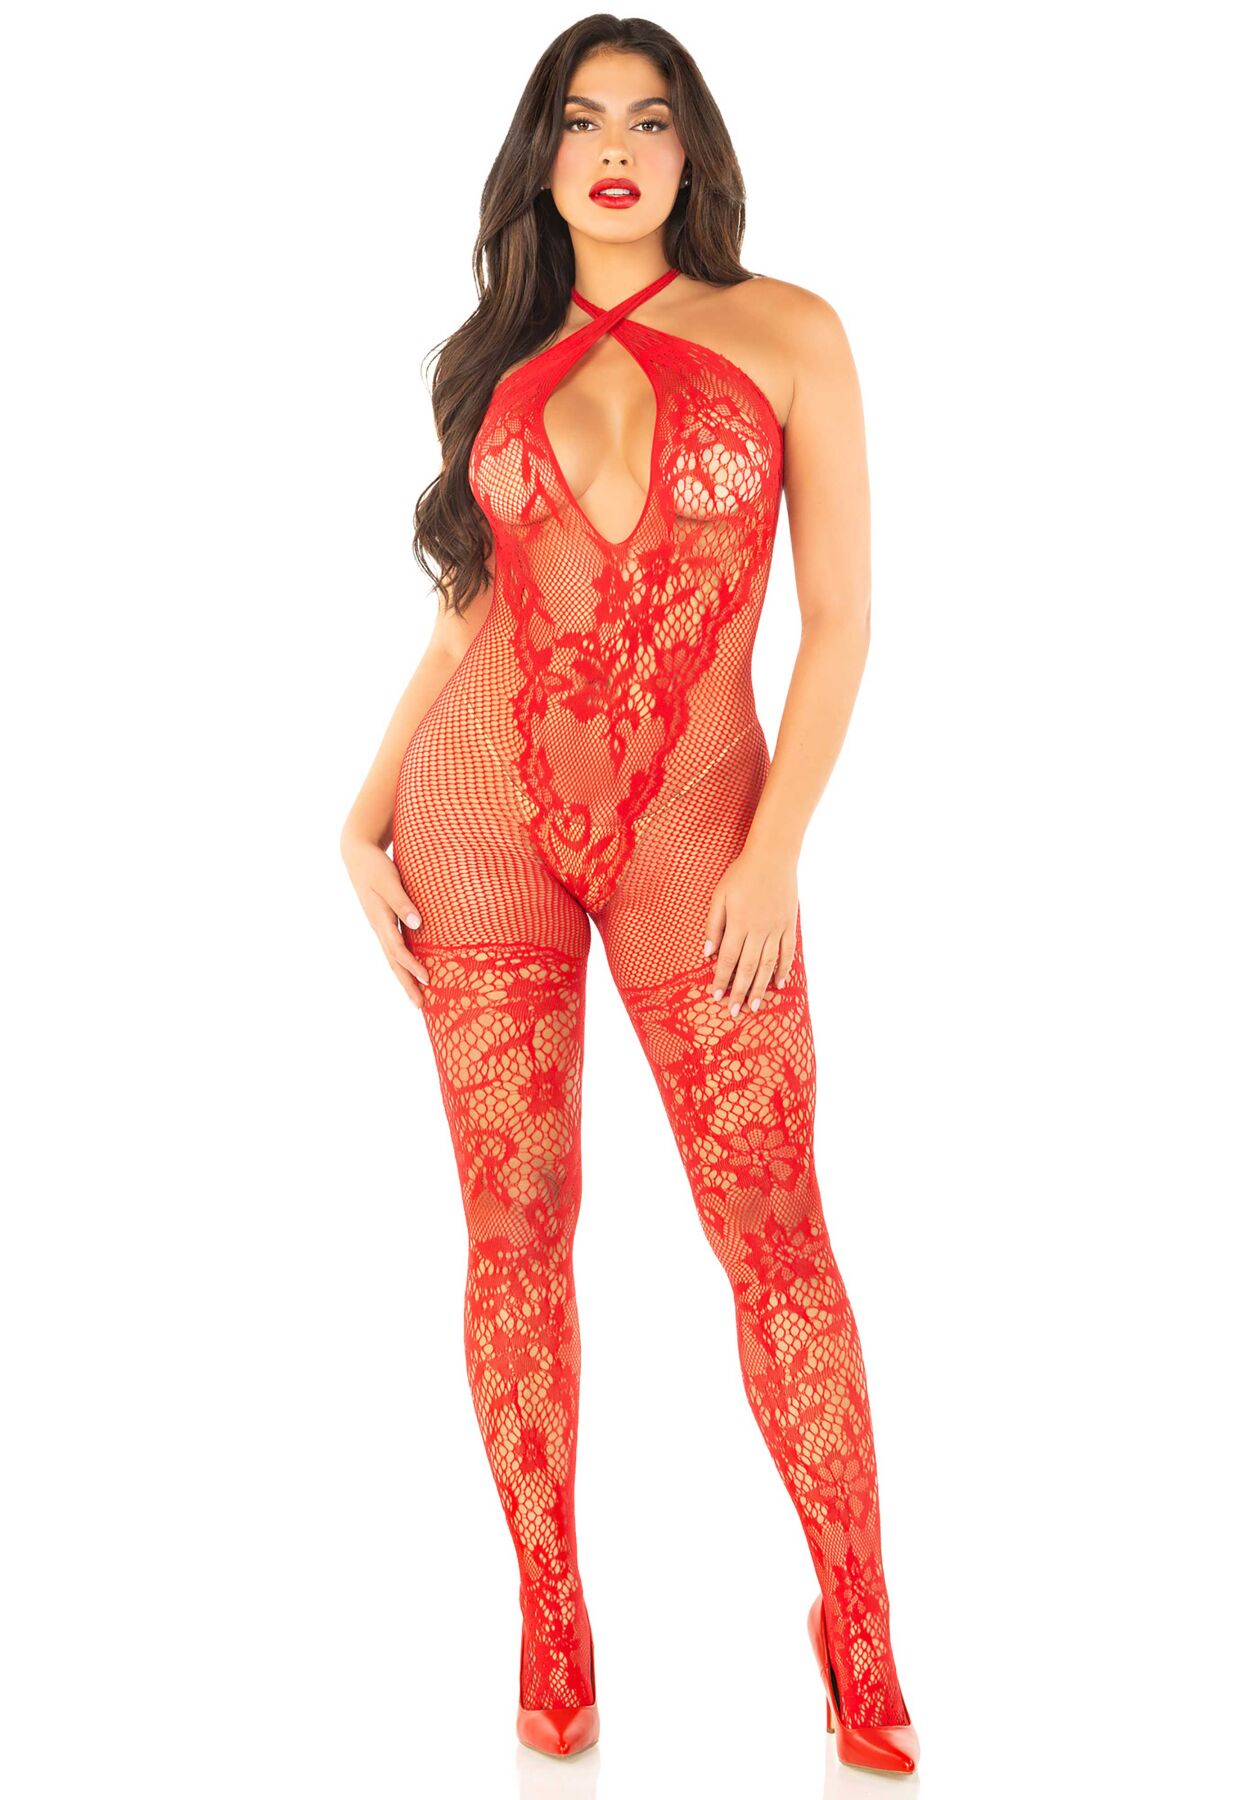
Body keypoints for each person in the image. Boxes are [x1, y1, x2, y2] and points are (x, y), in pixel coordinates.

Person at [340, 18, 920, 1775]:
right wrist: (363, 809)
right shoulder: (504, 361)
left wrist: (775, 848)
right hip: (479, 819)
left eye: (649, 121)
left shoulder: (790, 331)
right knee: (513, 1233)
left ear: (691, 153)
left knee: (776, 1232)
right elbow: (475, 607)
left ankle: (860, 1621)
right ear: (542, 158)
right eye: (582, 120)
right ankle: (551, 1613)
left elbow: (843, 622)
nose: (614, 149)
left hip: (699, 835)